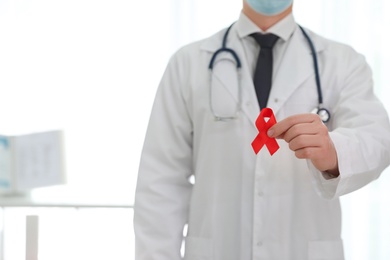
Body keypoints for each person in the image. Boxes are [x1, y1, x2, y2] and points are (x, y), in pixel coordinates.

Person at [133, 0, 390, 259]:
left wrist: (333, 153)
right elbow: (160, 182)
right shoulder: (188, 63)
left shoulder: (342, 62)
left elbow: (377, 139)